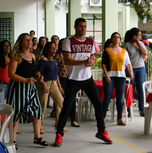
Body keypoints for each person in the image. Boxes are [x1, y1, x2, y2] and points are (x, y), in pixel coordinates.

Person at [54, 18, 113, 146]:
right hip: (73, 79)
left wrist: (91, 61)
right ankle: (59, 134)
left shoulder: (90, 41)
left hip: (87, 78)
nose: (83, 29)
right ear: (75, 27)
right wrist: (83, 62)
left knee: (98, 104)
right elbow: (67, 60)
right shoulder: (68, 42)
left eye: (85, 26)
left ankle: (101, 131)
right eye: (81, 26)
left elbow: (92, 57)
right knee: (66, 107)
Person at [7, 33, 48, 149]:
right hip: (18, 87)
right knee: (16, 112)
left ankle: (37, 136)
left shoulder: (33, 56)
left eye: (30, 40)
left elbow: (33, 71)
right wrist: (25, 80)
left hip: (31, 87)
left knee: (37, 108)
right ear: (20, 43)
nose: (29, 42)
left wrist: (39, 76)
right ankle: (12, 139)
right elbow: (11, 74)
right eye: (26, 40)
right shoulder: (17, 56)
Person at [102, 32, 133, 126]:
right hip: (110, 76)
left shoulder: (124, 51)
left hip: (121, 77)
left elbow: (128, 63)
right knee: (107, 97)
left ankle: (119, 118)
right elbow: (103, 64)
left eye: (118, 37)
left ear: (120, 39)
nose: (117, 39)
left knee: (120, 98)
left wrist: (131, 72)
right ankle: (102, 117)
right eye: (115, 37)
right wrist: (106, 75)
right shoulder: (107, 50)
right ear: (112, 39)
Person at [36, 42, 68, 134]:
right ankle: (39, 127)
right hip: (45, 83)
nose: (54, 50)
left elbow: (56, 74)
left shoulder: (54, 60)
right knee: (43, 106)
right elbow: (38, 73)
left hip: (54, 84)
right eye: (52, 48)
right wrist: (42, 84)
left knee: (60, 102)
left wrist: (59, 86)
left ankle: (59, 125)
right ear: (47, 50)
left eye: (55, 48)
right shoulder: (43, 60)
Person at [54, 38, 80, 127]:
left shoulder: (72, 55)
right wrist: (58, 83)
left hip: (71, 78)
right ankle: (60, 121)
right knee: (61, 100)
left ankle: (73, 119)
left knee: (72, 99)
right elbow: (55, 70)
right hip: (62, 79)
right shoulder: (58, 56)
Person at [124, 27, 147, 117]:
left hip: (141, 68)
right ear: (134, 36)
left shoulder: (140, 43)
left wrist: (138, 42)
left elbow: (144, 53)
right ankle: (129, 111)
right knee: (130, 89)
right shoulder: (126, 45)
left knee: (141, 88)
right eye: (139, 35)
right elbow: (124, 59)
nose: (140, 37)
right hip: (131, 70)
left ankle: (141, 109)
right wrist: (129, 70)